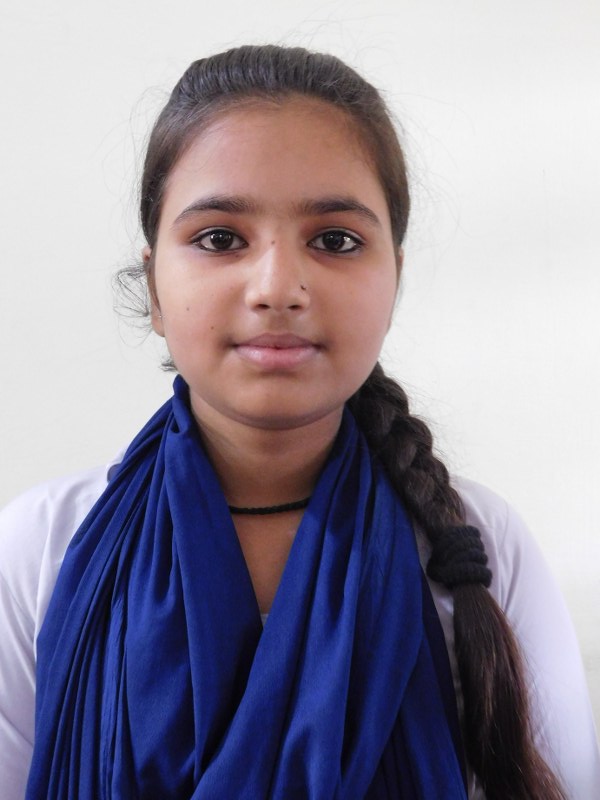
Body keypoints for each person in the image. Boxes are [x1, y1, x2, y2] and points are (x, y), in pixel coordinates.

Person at [0, 45, 598, 800]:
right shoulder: (41, 550)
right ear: (153, 287)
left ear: (394, 281)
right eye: (220, 238)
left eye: (335, 240)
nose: (278, 286)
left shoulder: (477, 548)